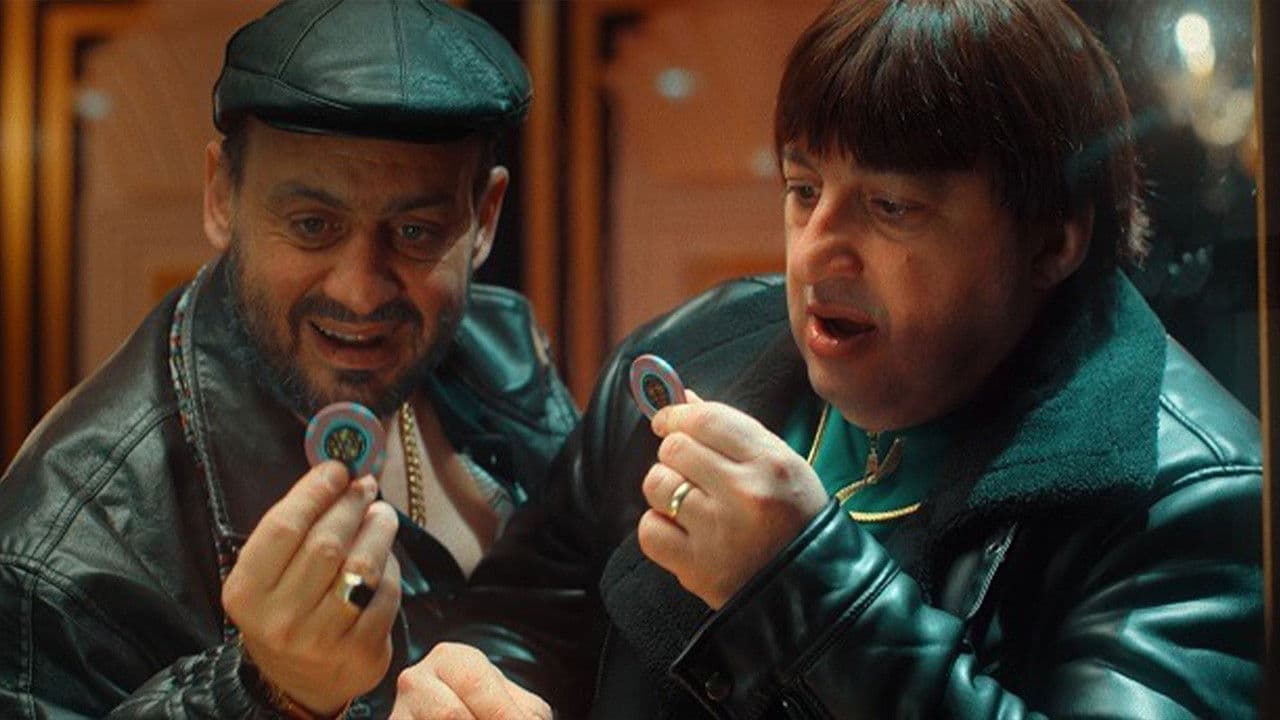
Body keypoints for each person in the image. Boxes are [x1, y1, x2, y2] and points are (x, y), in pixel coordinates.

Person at [417, 0, 1264, 717]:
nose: (815, 250)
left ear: (1052, 241)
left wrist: (803, 582)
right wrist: (475, 686)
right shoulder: (687, 352)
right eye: (803, 190)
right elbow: (523, 618)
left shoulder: (1193, 493)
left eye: (891, 207)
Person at [0, 1, 577, 717]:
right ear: (221, 197)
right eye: (313, 224)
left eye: (415, 231)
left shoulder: (501, 346)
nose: (360, 291)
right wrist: (265, 692)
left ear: (484, 220)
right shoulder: (59, 555)